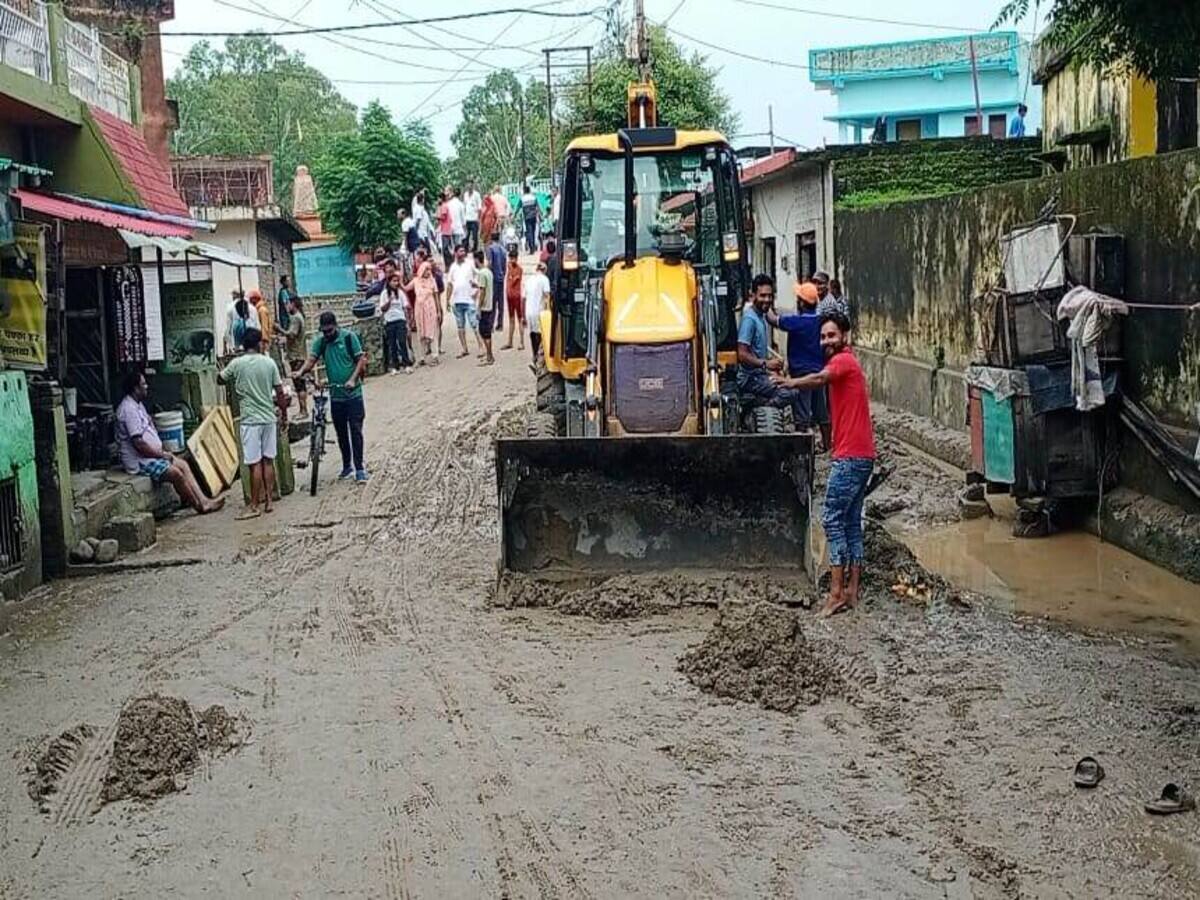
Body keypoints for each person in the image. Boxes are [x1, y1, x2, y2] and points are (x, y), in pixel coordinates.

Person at [772, 311, 876, 618]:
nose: (826, 341)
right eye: (823, 336)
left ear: (845, 336)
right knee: (851, 522)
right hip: (862, 455)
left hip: (850, 457)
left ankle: (835, 594)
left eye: (831, 335)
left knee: (831, 519)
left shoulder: (843, 362)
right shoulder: (848, 362)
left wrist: (788, 381)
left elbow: (819, 379)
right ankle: (853, 592)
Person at [115, 371, 224, 514]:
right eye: (143, 384)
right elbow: (139, 444)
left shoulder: (137, 405)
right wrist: (161, 455)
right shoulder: (128, 410)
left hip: (150, 456)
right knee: (175, 473)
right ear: (135, 388)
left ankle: (204, 500)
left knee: (183, 464)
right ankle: (198, 505)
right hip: (140, 461)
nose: (147, 386)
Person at [219, 328, 286, 519]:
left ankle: (254, 505)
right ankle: (269, 502)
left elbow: (220, 379)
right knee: (268, 460)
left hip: (250, 420)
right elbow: (280, 392)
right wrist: (284, 415)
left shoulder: (237, 364)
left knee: (254, 464)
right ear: (259, 344)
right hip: (268, 418)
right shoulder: (269, 363)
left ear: (243, 345)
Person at [295, 312, 369, 483]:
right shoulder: (321, 343)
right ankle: (346, 465)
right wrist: (301, 371)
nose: (327, 334)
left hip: (353, 395)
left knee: (356, 431)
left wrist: (352, 379)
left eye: (329, 331)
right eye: (324, 331)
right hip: (336, 396)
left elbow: (361, 360)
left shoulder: (349, 338)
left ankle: (359, 468)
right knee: (341, 432)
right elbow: (311, 360)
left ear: (336, 326)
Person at [736, 274, 807, 426]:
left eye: (770, 296)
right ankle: (758, 410)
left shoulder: (761, 315)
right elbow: (742, 354)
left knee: (790, 384)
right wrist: (765, 365)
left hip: (760, 375)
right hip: (750, 378)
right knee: (790, 391)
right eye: (763, 296)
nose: (767, 300)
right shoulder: (750, 319)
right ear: (752, 294)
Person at [770, 281, 831, 450]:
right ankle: (827, 446)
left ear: (802, 302)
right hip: (819, 372)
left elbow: (774, 321)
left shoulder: (797, 321)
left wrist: (765, 306)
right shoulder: (820, 321)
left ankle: (803, 449)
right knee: (822, 411)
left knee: (802, 413)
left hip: (801, 375)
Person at [445, 244, 479, 359]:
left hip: (469, 298)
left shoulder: (470, 264)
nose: (463, 253)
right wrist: (447, 300)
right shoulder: (453, 267)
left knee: (475, 324)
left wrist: (477, 290)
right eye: (460, 251)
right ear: (455, 253)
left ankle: (481, 347)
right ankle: (464, 348)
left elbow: (478, 275)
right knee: (460, 326)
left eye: (464, 251)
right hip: (457, 300)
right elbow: (449, 284)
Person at [405, 258, 441, 365]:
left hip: (430, 309)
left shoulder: (432, 280)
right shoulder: (416, 281)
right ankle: (421, 358)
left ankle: (435, 356)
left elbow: (436, 296)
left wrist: (439, 311)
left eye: (429, 270)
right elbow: (406, 288)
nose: (428, 272)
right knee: (421, 332)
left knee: (433, 332)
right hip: (419, 309)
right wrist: (399, 279)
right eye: (426, 270)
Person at [277, 295, 308, 417]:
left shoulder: (295, 318)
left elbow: (292, 334)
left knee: (299, 384)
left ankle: (303, 410)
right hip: (299, 353)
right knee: (301, 384)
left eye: (288, 303)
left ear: (293, 304)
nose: (286, 306)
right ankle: (303, 410)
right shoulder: (299, 317)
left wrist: (279, 329)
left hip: (296, 355)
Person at [379, 269, 413, 374]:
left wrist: (408, 322)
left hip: (400, 320)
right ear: (389, 282)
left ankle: (406, 363)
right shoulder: (384, 294)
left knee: (402, 342)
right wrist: (389, 301)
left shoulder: (400, 293)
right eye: (394, 281)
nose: (396, 283)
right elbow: (383, 309)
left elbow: (405, 307)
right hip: (389, 321)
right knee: (392, 344)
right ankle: (395, 366)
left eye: (397, 281)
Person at [523, 260, 551, 361]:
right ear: (544, 270)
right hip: (539, 311)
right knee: (540, 333)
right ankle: (539, 356)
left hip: (528, 311)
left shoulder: (529, 280)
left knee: (532, 333)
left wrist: (523, 315)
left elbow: (523, 298)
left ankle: (534, 353)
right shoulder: (545, 279)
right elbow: (547, 296)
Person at [473, 249, 496, 366]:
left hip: (485, 306)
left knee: (484, 332)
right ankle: (489, 355)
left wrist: (478, 308)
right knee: (486, 331)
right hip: (490, 305)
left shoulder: (481, 273)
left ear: (477, 260)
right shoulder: (488, 272)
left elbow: (482, 291)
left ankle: (489, 356)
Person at [502, 247, 524, 351]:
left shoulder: (519, 269)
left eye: (513, 258)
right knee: (511, 319)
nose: (512, 260)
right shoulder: (509, 267)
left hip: (516, 296)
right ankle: (510, 341)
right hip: (509, 296)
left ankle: (521, 342)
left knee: (519, 319)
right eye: (511, 258)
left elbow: (514, 280)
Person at [225, 291, 259, 356]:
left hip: (238, 348)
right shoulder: (252, 308)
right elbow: (257, 326)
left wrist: (229, 345)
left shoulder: (231, 308)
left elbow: (228, 331)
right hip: (252, 348)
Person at [486, 231, 507, 333]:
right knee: (500, 302)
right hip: (501, 277)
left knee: (492, 302)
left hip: (493, 277)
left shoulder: (490, 248)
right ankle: (500, 324)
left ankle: (491, 324)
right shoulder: (503, 249)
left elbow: (490, 263)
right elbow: (504, 265)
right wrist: (503, 274)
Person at [520, 183, 540, 254]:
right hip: (534, 216)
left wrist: (514, 215)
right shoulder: (534, 197)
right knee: (533, 232)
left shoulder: (522, 199)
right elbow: (538, 206)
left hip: (527, 217)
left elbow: (518, 207)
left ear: (524, 191)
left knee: (529, 232)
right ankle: (533, 247)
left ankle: (532, 248)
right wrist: (541, 214)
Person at [447, 187, 466, 256]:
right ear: (460, 195)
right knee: (458, 247)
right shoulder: (461, 205)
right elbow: (463, 219)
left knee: (452, 247)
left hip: (450, 228)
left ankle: (453, 258)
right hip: (458, 228)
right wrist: (464, 229)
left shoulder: (448, 204)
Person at [463, 181, 482, 251]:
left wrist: (479, 219)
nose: (469, 187)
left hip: (474, 219)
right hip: (467, 219)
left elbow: (480, 208)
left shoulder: (477, 195)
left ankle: (475, 250)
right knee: (466, 236)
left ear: (473, 186)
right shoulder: (465, 195)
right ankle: (466, 250)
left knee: (474, 236)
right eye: (468, 186)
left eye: (470, 186)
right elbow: (464, 207)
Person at [436, 190, 453, 266]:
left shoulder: (443, 206)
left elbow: (443, 216)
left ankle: (449, 262)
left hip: (446, 230)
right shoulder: (443, 206)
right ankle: (448, 263)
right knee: (446, 248)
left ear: (441, 198)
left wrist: (437, 216)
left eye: (438, 198)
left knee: (445, 248)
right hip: (445, 229)